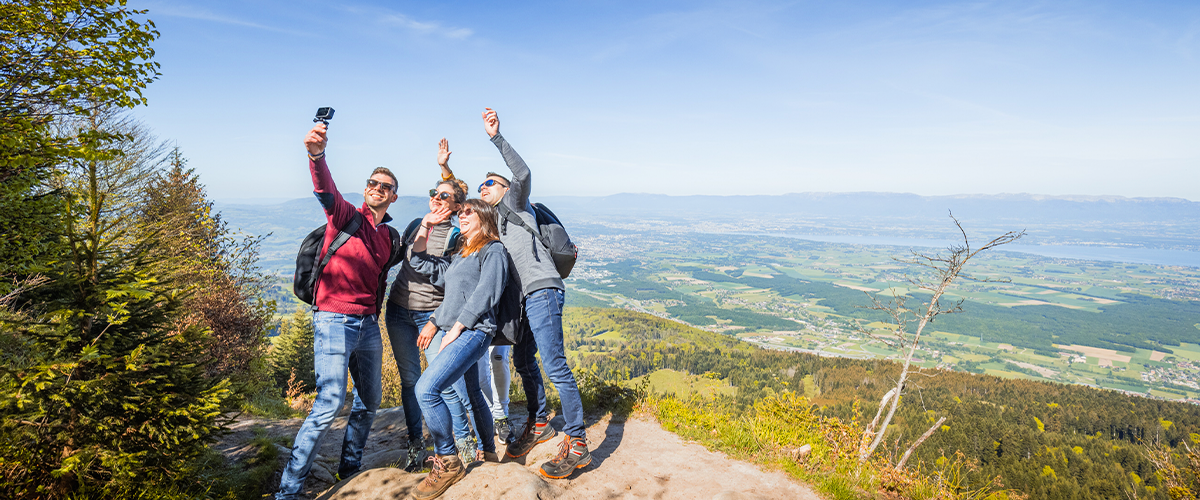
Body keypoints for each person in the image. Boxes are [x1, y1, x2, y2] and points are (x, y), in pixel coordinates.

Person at [275, 123, 399, 500]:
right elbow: (325, 190)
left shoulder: (389, 236)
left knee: (370, 400)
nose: (377, 188)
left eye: (385, 187)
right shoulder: (346, 216)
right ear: (365, 189)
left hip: (367, 325)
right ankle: (289, 489)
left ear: (394, 197)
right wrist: (316, 155)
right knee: (329, 402)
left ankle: (349, 468)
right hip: (333, 319)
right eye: (372, 183)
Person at [477, 108, 591, 479]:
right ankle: (540, 423)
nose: (485, 189)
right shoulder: (493, 224)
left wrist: (496, 137)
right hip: (524, 302)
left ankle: (577, 442)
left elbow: (522, 173)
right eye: (482, 187)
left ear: (506, 189)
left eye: (490, 184)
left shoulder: (515, 204)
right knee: (524, 363)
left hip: (543, 291)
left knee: (554, 365)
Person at [383, 139, 482, 471]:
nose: (437, 199)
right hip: (397, 310)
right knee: (410, 381)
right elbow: (404, 258)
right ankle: (415, 447)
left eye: (445, 196)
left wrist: (436, 320)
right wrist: (425, 223)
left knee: (443, 382)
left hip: (432, 316)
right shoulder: (417, 224)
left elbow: (447, 280)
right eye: (434, 193)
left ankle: (463, 444)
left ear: (457, 206)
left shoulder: (458, 236)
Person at [408, 198, 507, 500]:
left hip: (474, 331)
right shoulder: (460, 255)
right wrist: (427, 224)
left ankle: (449, 460)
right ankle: (489, 453)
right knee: (474, 394)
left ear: (485, 218)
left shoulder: (493, 250)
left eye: (468, 213)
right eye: (460, 213)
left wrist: (456, 328)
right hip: (457, 329)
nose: (462, 216)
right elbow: (418, 262)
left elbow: (485, 294)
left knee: (426, 389)